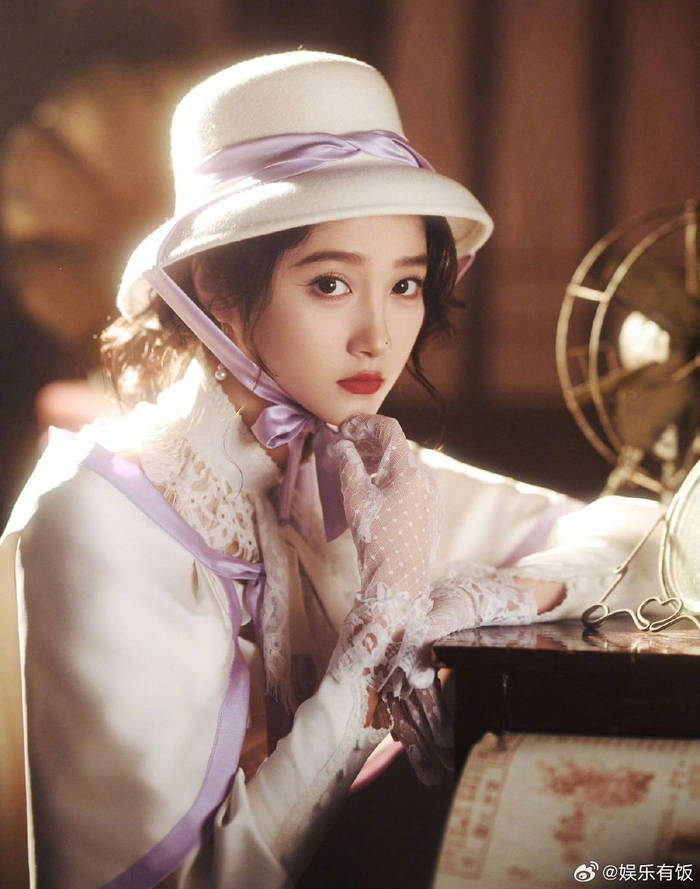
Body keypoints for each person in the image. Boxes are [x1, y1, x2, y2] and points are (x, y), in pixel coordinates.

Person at [0, 51, 660, 889]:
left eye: (406, 285)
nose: (378, 337)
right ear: (216, 284)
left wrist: (482, 596)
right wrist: (373, 643)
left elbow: (650, 540)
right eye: (330, 284)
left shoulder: (357, 475)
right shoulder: (99, 515)